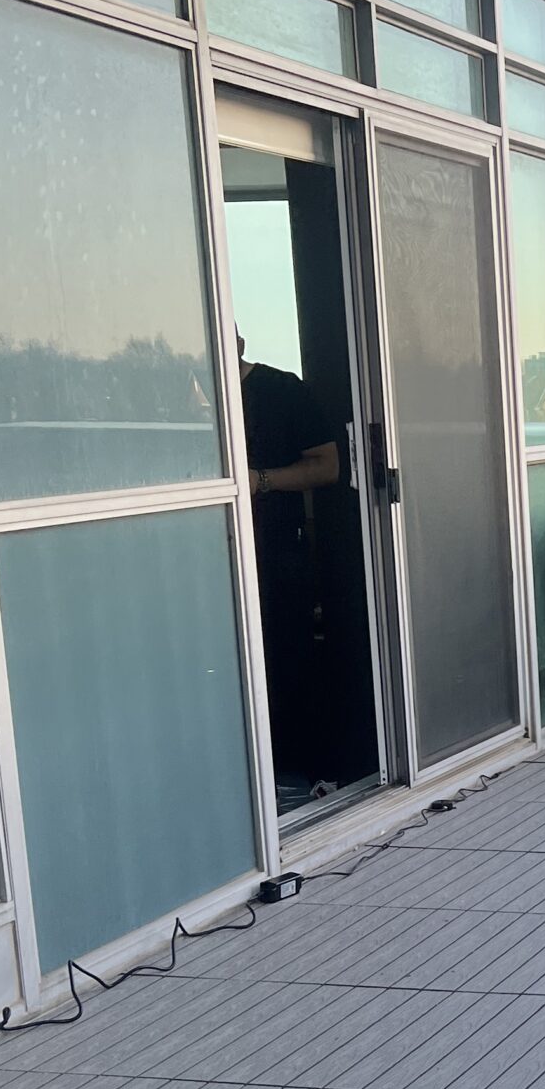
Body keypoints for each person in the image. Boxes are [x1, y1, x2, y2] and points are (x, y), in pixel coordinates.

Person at [238, 333, 342, 792]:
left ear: (236, 340)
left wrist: (259, 481)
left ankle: (306, 773)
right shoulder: (176, 397)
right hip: (200, 557)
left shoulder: (279, 389)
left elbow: (329, 466)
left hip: (275, 547)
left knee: (286, 657)